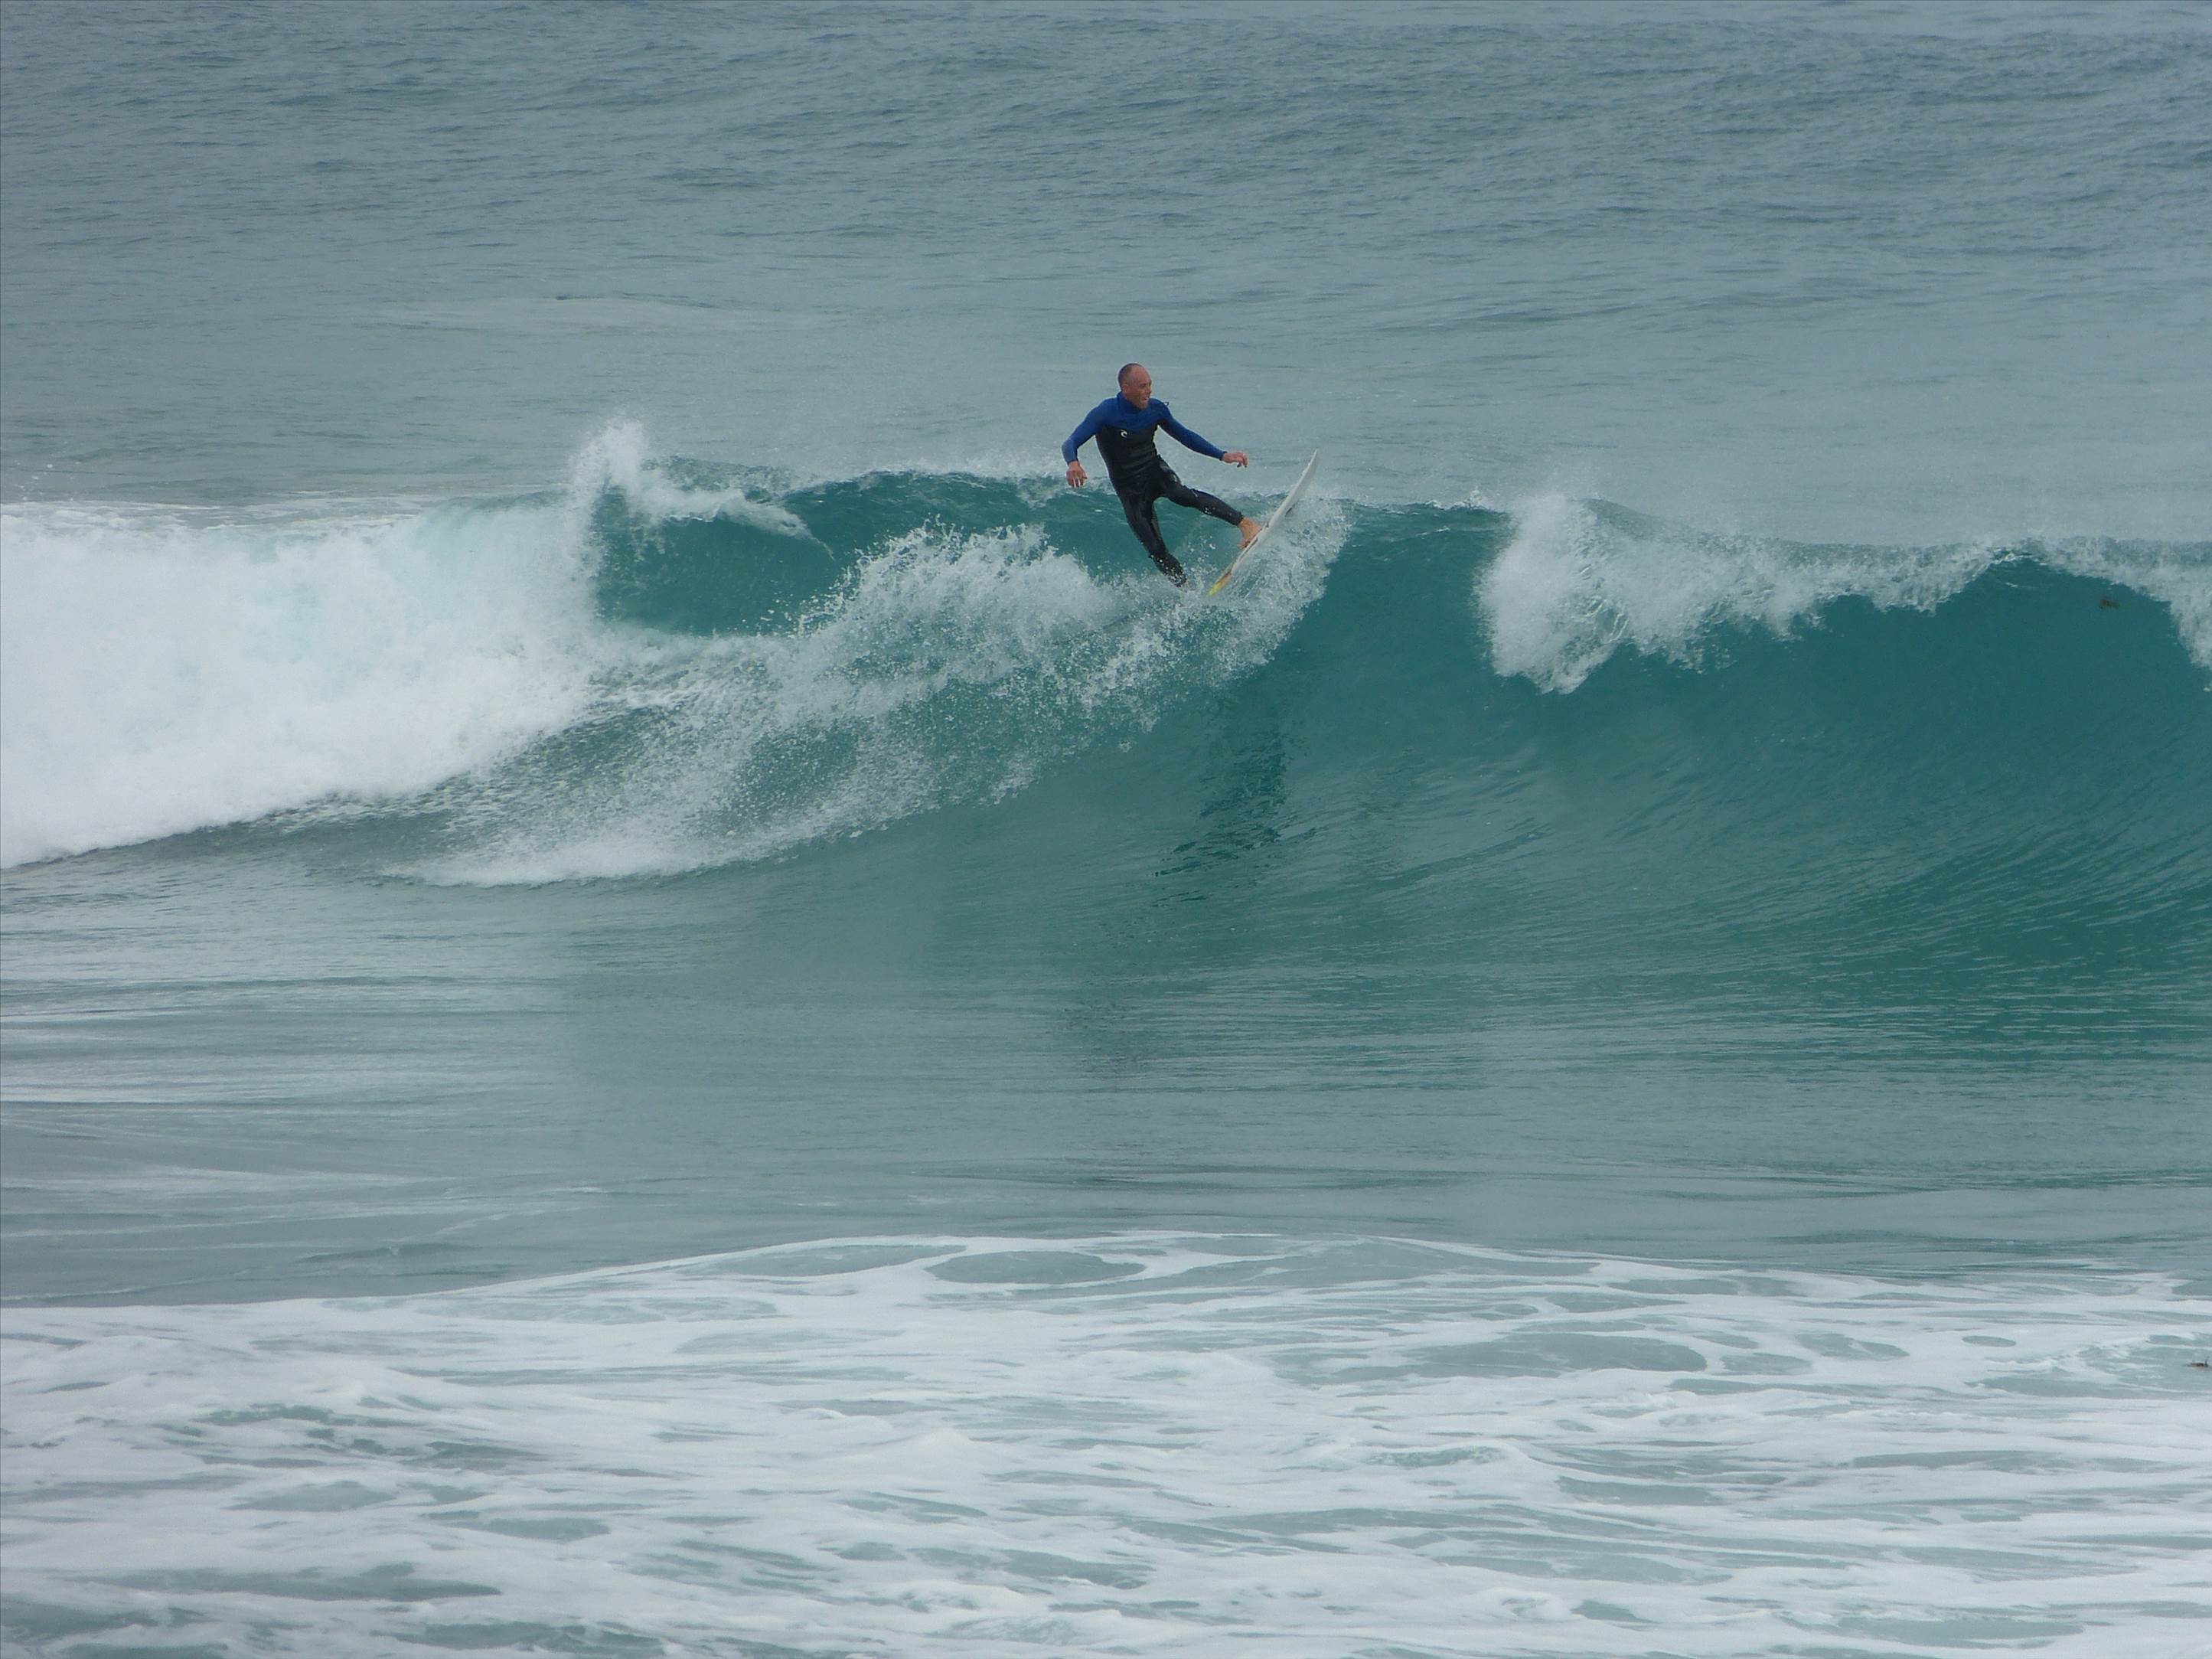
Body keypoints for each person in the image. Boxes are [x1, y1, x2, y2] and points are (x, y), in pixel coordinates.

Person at [1063, 364, 1260, 586]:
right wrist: (1073, 462)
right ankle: (1185, 589)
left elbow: (1185, 435)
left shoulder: (1155, 409)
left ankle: (1246, 524)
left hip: (1154, 471)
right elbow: (1071, 442)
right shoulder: (1105, 412)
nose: (1148, 391)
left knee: (1179, 493)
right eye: (1142, 386)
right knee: (1155, 549)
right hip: (1129, 489)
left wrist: (1222, 455)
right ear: (1125, 389)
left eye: (1150, 385)